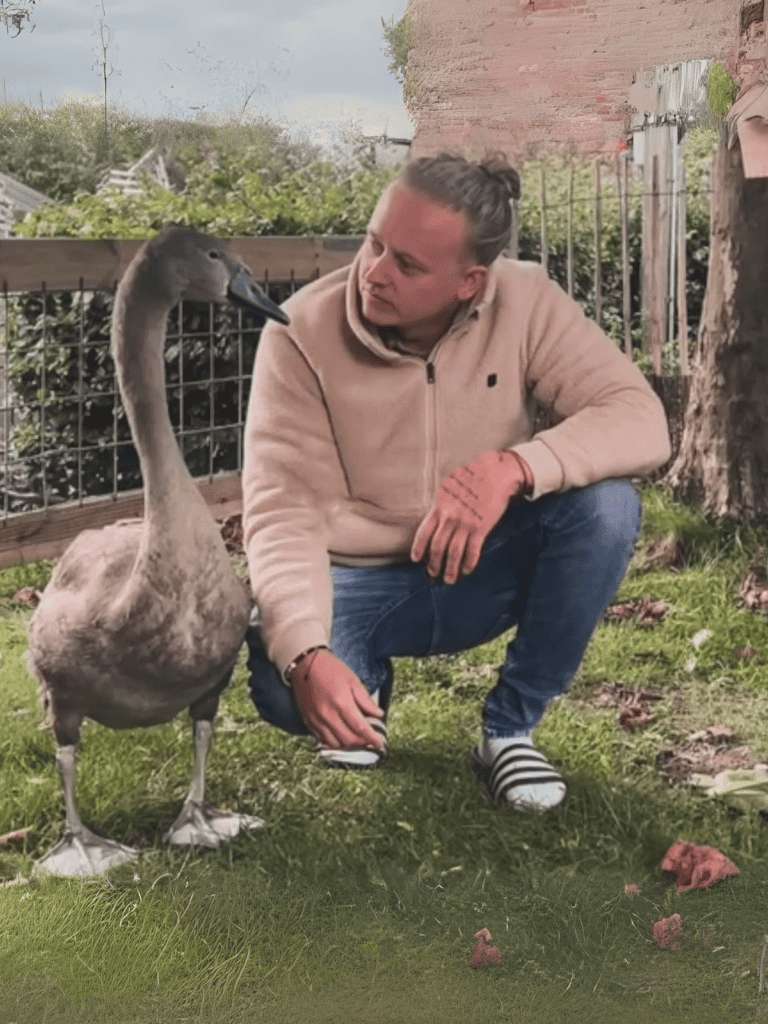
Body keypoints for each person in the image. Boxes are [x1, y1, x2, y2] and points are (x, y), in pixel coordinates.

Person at [241, 152, 671, 813]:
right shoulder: (299, 333)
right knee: (284, 689)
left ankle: (510, 732)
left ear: (469, 282)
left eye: (407, 264)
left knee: (607, 508)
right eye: (374, 242)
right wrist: (303, 655)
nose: (372, 273)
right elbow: (281, 512)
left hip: (478, 565)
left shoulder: (526, 301)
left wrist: (514, 466)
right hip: (353, 580)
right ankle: (360, 681)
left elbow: (641, 418)